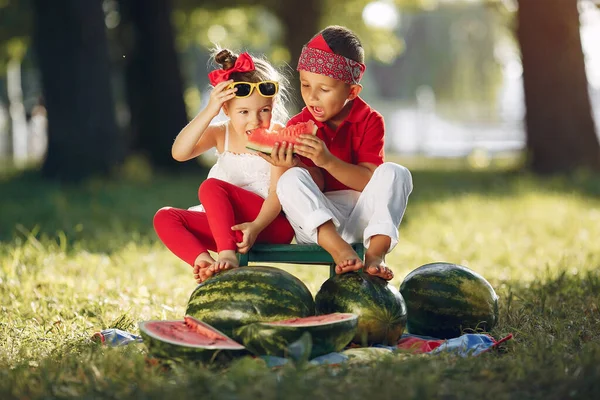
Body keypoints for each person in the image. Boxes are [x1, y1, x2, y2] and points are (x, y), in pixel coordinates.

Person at [263, 25, 413, 281]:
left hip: (361, 220)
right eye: (305, 84)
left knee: (396, 173)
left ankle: (376, 254)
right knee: (290, 180)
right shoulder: (297, 125)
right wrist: (289, 164)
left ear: (352, 92)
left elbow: (369, 180)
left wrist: (328, 161)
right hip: (316, 226)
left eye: (324, 89)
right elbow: (308, 186)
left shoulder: (370, 121)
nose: (311, 97)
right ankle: (337, 248)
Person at [153, 49, 295, 283]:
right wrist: (210, 110)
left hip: (269, 227)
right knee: (164, 217)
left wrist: (256, 226)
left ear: (273, 104)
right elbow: (179, 153)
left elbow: (276, 196)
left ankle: (227, 256)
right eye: (244, 112)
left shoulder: (279, 136)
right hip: (227, 231)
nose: (255, 120)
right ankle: (206, 263)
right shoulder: (221, 133)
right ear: (226, 110)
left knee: (210, 187)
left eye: (264, 110)